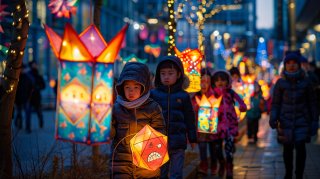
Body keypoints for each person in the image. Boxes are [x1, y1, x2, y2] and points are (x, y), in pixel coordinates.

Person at [110, 62, 165, 179]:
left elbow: (160, 131)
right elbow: (110, 134)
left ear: (143, 87)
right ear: (121, 88)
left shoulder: (153, 108)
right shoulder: (116, 108)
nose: (131, 91)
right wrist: (104, 125)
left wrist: (148, 142)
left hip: (146, 164)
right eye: (127, 87)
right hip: (122, 163)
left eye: (136, 87)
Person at [269, 51, 319, 179]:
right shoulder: (280, 83)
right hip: (285, 121)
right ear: (285, 66)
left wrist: (314, 121)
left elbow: (312, 103)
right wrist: (273, 117)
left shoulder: (306, 82)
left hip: (302, 120)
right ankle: (288, 172)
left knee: (300, 147)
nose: (291, 66)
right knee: (287, 148)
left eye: (294, 63)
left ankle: (299, 174)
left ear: (299, 65)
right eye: (289, 63)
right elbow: (276, 103)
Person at [150, 56, 197, 179]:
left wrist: (192, 138)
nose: (166, 77)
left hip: (178, 142)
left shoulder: (183, 96)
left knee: (176, 173)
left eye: (170, 73)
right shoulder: (154, 94)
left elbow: (189, 118)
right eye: (163, 73)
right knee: (161, 173)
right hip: (159, 142)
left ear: (179, 74)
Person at [211, 70, 247, 179]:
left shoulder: (231, 92)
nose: (220, 82)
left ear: (227, 81)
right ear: (214, 82)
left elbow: (240, 101)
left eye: (222, 80)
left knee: (229, 149)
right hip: (216, 125)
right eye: (217, 80)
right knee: (217, 149)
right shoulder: (212, 93)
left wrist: (242, 106)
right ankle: (221, 163)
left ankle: (229, 167)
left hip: (230, 125)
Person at [191, 68, 221, 176]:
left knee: (213, 147)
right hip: (200, 127)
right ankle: (203, 164)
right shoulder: (195, 96)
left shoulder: (215, 95)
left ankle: (214, 164)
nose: (204, 85)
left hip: (212, 126)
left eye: (207, 82)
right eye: (202, 82)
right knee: (202, 147)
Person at [14, 63, 34, 130]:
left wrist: (29, 96)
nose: (22, 70)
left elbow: (31, 87)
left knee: (27, 113)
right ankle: (19, 124)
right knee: (19, 113)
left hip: (26, 98)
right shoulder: (16, 78)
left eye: (23, 69)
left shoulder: (27, 78)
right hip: (18, 99)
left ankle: (27, 127)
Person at [27, 61, 45, 132]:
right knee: (28, 113)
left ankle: (41, 121)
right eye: (33, 65)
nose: (35, 66)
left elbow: (43, 85)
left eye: (35, 65)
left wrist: (38, 87)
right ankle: (28, 127)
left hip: (37, 97)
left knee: (39, 112)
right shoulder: (28, 75)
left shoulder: (38, 76)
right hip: (29, 97)